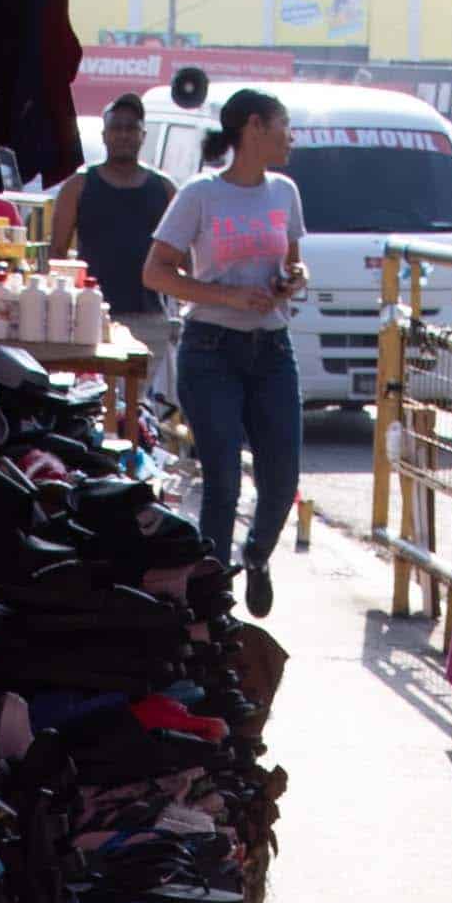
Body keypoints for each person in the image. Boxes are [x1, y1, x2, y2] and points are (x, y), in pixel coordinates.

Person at [147, 88, 308, 616]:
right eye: (285, 126)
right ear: (256, 127)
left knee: (281, 477)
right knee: (222, 480)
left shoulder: (284, 192)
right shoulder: (201, 194)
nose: (291, 138)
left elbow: (294, 262)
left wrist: (291, 280)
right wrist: (228, 295)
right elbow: (156, 272)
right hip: (210, 349)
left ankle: (256, 556)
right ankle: (210, 599)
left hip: (271, 347)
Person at [61, 95, 177, 424]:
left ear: (142, 135)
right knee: (95, 407)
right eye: (117, 127)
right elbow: (56, 254)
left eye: (132, 128)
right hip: (92, 319)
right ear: (104, 135)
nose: (124, 134)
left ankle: (137, 471)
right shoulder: (80, 185)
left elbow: (184, 257)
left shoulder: (164, 188)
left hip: (149, 318)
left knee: (137, 414)